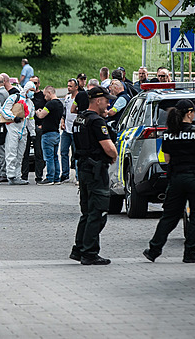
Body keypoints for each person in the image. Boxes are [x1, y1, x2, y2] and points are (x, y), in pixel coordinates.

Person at [143, 99, 195, 264]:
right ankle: (190, 253)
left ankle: (154, 250)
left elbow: (167, 158)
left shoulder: (169, 133)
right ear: (189, 113)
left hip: (176, 179)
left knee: (169, 216)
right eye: (193, 112)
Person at [71, 87, 118, 265]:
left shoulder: (80, 118)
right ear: (98, 101)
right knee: (98, 211)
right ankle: (89, 252)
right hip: (96, 170)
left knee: (87, 212)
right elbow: (108, 147)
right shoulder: (97, 121)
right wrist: (113, 156)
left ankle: (79, 249)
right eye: (106, 100)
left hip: (84, 168)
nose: (108, 103)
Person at [2, 81, 36, 185]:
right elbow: (4, 109)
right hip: (13, 128)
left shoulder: (30, 103)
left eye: (33, 91)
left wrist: (33, 133)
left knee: (20, 154)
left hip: (23, 131)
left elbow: (31, 119)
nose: (32, 93)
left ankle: (17, 175)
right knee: (11, 152)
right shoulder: (14, 98)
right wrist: (13, 117)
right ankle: (11, 175)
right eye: (31, 91)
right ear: (26, 90)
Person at [36, 86, 64, 185]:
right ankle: (56, 178)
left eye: (45, 95)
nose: (44, 97)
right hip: (56, 132)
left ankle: (50, 177)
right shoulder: (60, 104)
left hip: (48, 134)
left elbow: (41, 115)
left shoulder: (50, 104)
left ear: (49, 92)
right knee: (55, 156)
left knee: (48, 157)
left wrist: (38, 112)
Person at [23, 76, 45, 183]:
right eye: (31, 84)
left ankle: (39, 176)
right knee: (24, 152)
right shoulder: (24, 99)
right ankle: (24, 176)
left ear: (38, 84)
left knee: (38, 153)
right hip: (25, 128)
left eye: (35, 83)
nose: (33, 86)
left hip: (37, 127)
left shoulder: (42, 96)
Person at [60, 78, 79, 183]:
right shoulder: (67, 98)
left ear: (76, 87)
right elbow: (65, 111)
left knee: (76, 153)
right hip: (67, 128)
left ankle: (77, 175)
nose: (68, 88)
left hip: (75, 128)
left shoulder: (79, 97)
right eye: (68, 86)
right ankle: (65, 174)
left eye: (71, 86)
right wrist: (62, 120)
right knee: (63, 151)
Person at [0, 75, 10, 182]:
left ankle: (2, 172)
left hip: (0, 127)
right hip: (5, 126)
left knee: (0, 150)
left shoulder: (0, 94)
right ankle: (3, 171)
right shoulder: (5, 92)